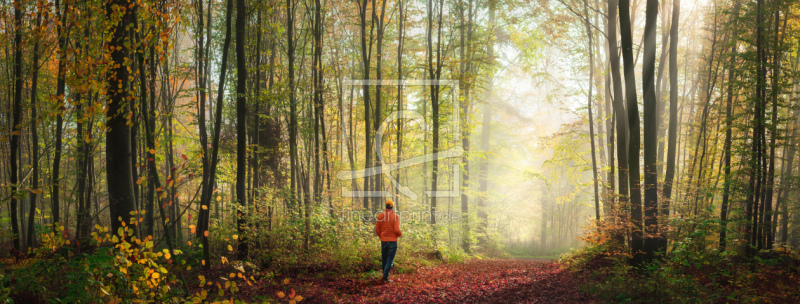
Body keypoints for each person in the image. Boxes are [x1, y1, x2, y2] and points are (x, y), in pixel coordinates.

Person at [375, 199, 402, 282]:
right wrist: (400, 235)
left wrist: (382, 236)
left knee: (384, 258)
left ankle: (384, 275)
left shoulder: (380, 215)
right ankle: (385, 277)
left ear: (385, 206)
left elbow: (377, 229)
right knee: (390, 259)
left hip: (384, 241)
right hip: (393, 241)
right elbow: (397, 230)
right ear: (392, 207)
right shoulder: (395, 216)